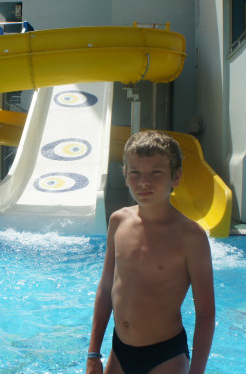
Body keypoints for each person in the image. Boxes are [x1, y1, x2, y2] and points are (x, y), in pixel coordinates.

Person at [86, 130, 215, 374]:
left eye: (156, 172)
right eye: (135, 172)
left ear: (176, 177)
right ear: (125, 175)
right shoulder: (118, 221)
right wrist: (93, 354)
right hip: (119, 351)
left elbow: (206, 313)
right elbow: (105, 288)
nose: (143, 182)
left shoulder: (190, 237)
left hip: (165, 356)